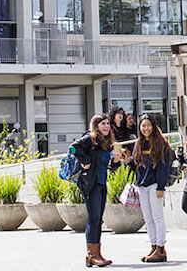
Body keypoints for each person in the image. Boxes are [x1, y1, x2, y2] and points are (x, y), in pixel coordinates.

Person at [70, 114, 121, 267]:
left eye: (107, 124)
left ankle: (96, 253)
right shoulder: (90, 139)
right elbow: (74, 147)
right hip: (90, 184)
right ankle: (91, 254)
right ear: (96, 126)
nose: (106, 126)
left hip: (101, 183)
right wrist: (85, 161)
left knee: (98, 219)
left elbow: (110, 167)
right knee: (93, 219)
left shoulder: (106, 142)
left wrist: (117, 161)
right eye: (103, 124)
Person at [124, 114, 172, 263]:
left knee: (157, 217)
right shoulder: (139, 143)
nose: (146, 129)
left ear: (154, 126)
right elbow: (135, 165)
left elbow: (163, 166)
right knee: (148, 218)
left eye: (148, 125)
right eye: (143, 126)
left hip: (154, 185)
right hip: (142, 185)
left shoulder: (160, 143)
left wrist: (161, 187)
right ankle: (153, 246)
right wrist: (126, 160)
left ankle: (161, 248)